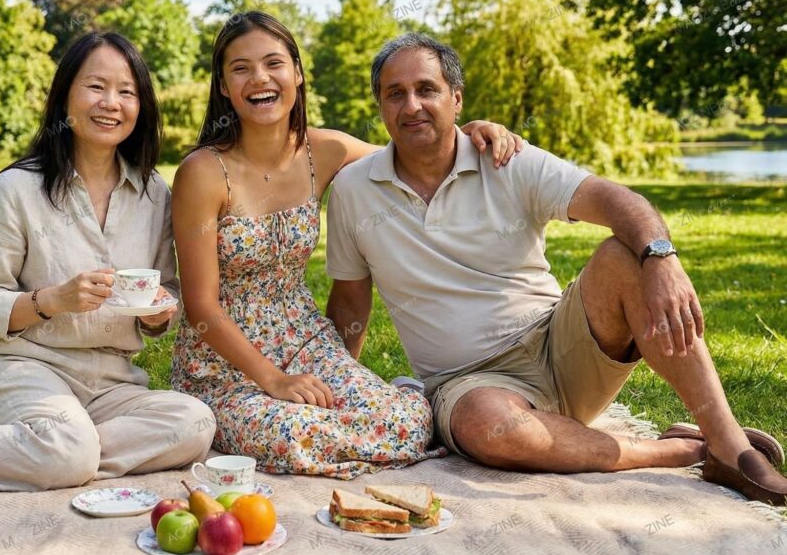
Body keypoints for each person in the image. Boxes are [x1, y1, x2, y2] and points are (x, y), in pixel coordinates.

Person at [325, 32, 787, 504]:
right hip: (469, 384)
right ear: (380, 106)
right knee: (486, 425)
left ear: (456, 99)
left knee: (625, 256)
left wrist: (662, 258)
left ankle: (730, 449)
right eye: (395, 94)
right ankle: (675, 452)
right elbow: (349, 303)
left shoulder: (506, 159)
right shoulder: (353, 191)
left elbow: (616, 200)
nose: (412, 106)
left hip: (561, 347)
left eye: (427, 89)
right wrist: (337, 394)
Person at [170, 12, 522, 479]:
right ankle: (321, 421)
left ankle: (386, 402)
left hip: (307, 342)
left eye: (274, 63)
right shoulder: (203, 171)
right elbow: (200, 306)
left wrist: (472, 128)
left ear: (296, 73)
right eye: (241, 68)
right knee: (293, 433)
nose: (259, 78)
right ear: (223, 85)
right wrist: (273, 380)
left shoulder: (325, 152)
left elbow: (414, 149)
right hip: (223, 365)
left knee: (410, 421)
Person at [0, 32, 215, 493]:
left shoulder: (155, 194)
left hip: (112, 382)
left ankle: (45, 452)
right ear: (65, 97)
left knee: (194, 423)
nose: (111, 103)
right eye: (96, 86)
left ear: (141, 106)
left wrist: (159, 313)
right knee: (67, 446)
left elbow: (165, 291)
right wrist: (52, 300)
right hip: (27, 368)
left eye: (127, 92)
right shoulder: (15, 190)